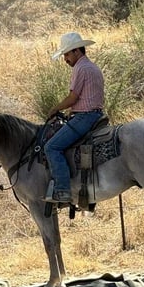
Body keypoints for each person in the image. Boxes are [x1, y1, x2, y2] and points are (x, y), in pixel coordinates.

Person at [44, 32, 105, 203]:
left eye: (67, 54)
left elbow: (73, 98)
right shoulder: (93, 67)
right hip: (96, 115)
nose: (65, 59)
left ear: (77, 51)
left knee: (51, 147)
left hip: (84, 117)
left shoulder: (80, 68)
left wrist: (55, 108)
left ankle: (62, 190)